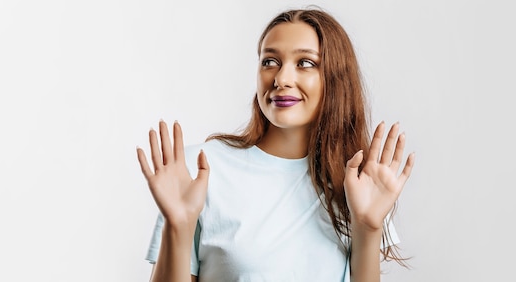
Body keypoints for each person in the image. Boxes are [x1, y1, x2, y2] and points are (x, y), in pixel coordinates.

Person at [137, 8, 415, 282]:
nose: (281, 79)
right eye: (270, 61)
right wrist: (178, 227)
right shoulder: (200, 170)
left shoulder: (358, 184)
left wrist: (367, 228)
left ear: (335, 78)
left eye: (305, 63)